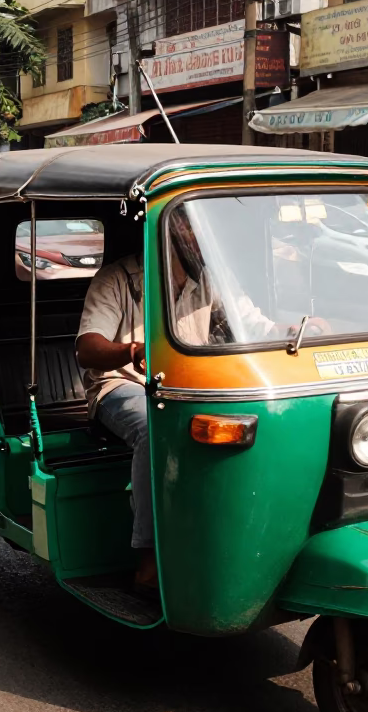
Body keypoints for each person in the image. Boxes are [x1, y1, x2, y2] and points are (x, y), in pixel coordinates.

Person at [75, 209, 302, 591]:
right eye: (196, 229)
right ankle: (147, 557)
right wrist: (131, 350)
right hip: (121, 386)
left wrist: (293, 329)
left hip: (187, 390)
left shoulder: (209, 281)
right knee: (155, 428)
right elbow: (87, 348)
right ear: (173, 230)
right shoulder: (117, 278)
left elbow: (254, 325)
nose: (203, 239)